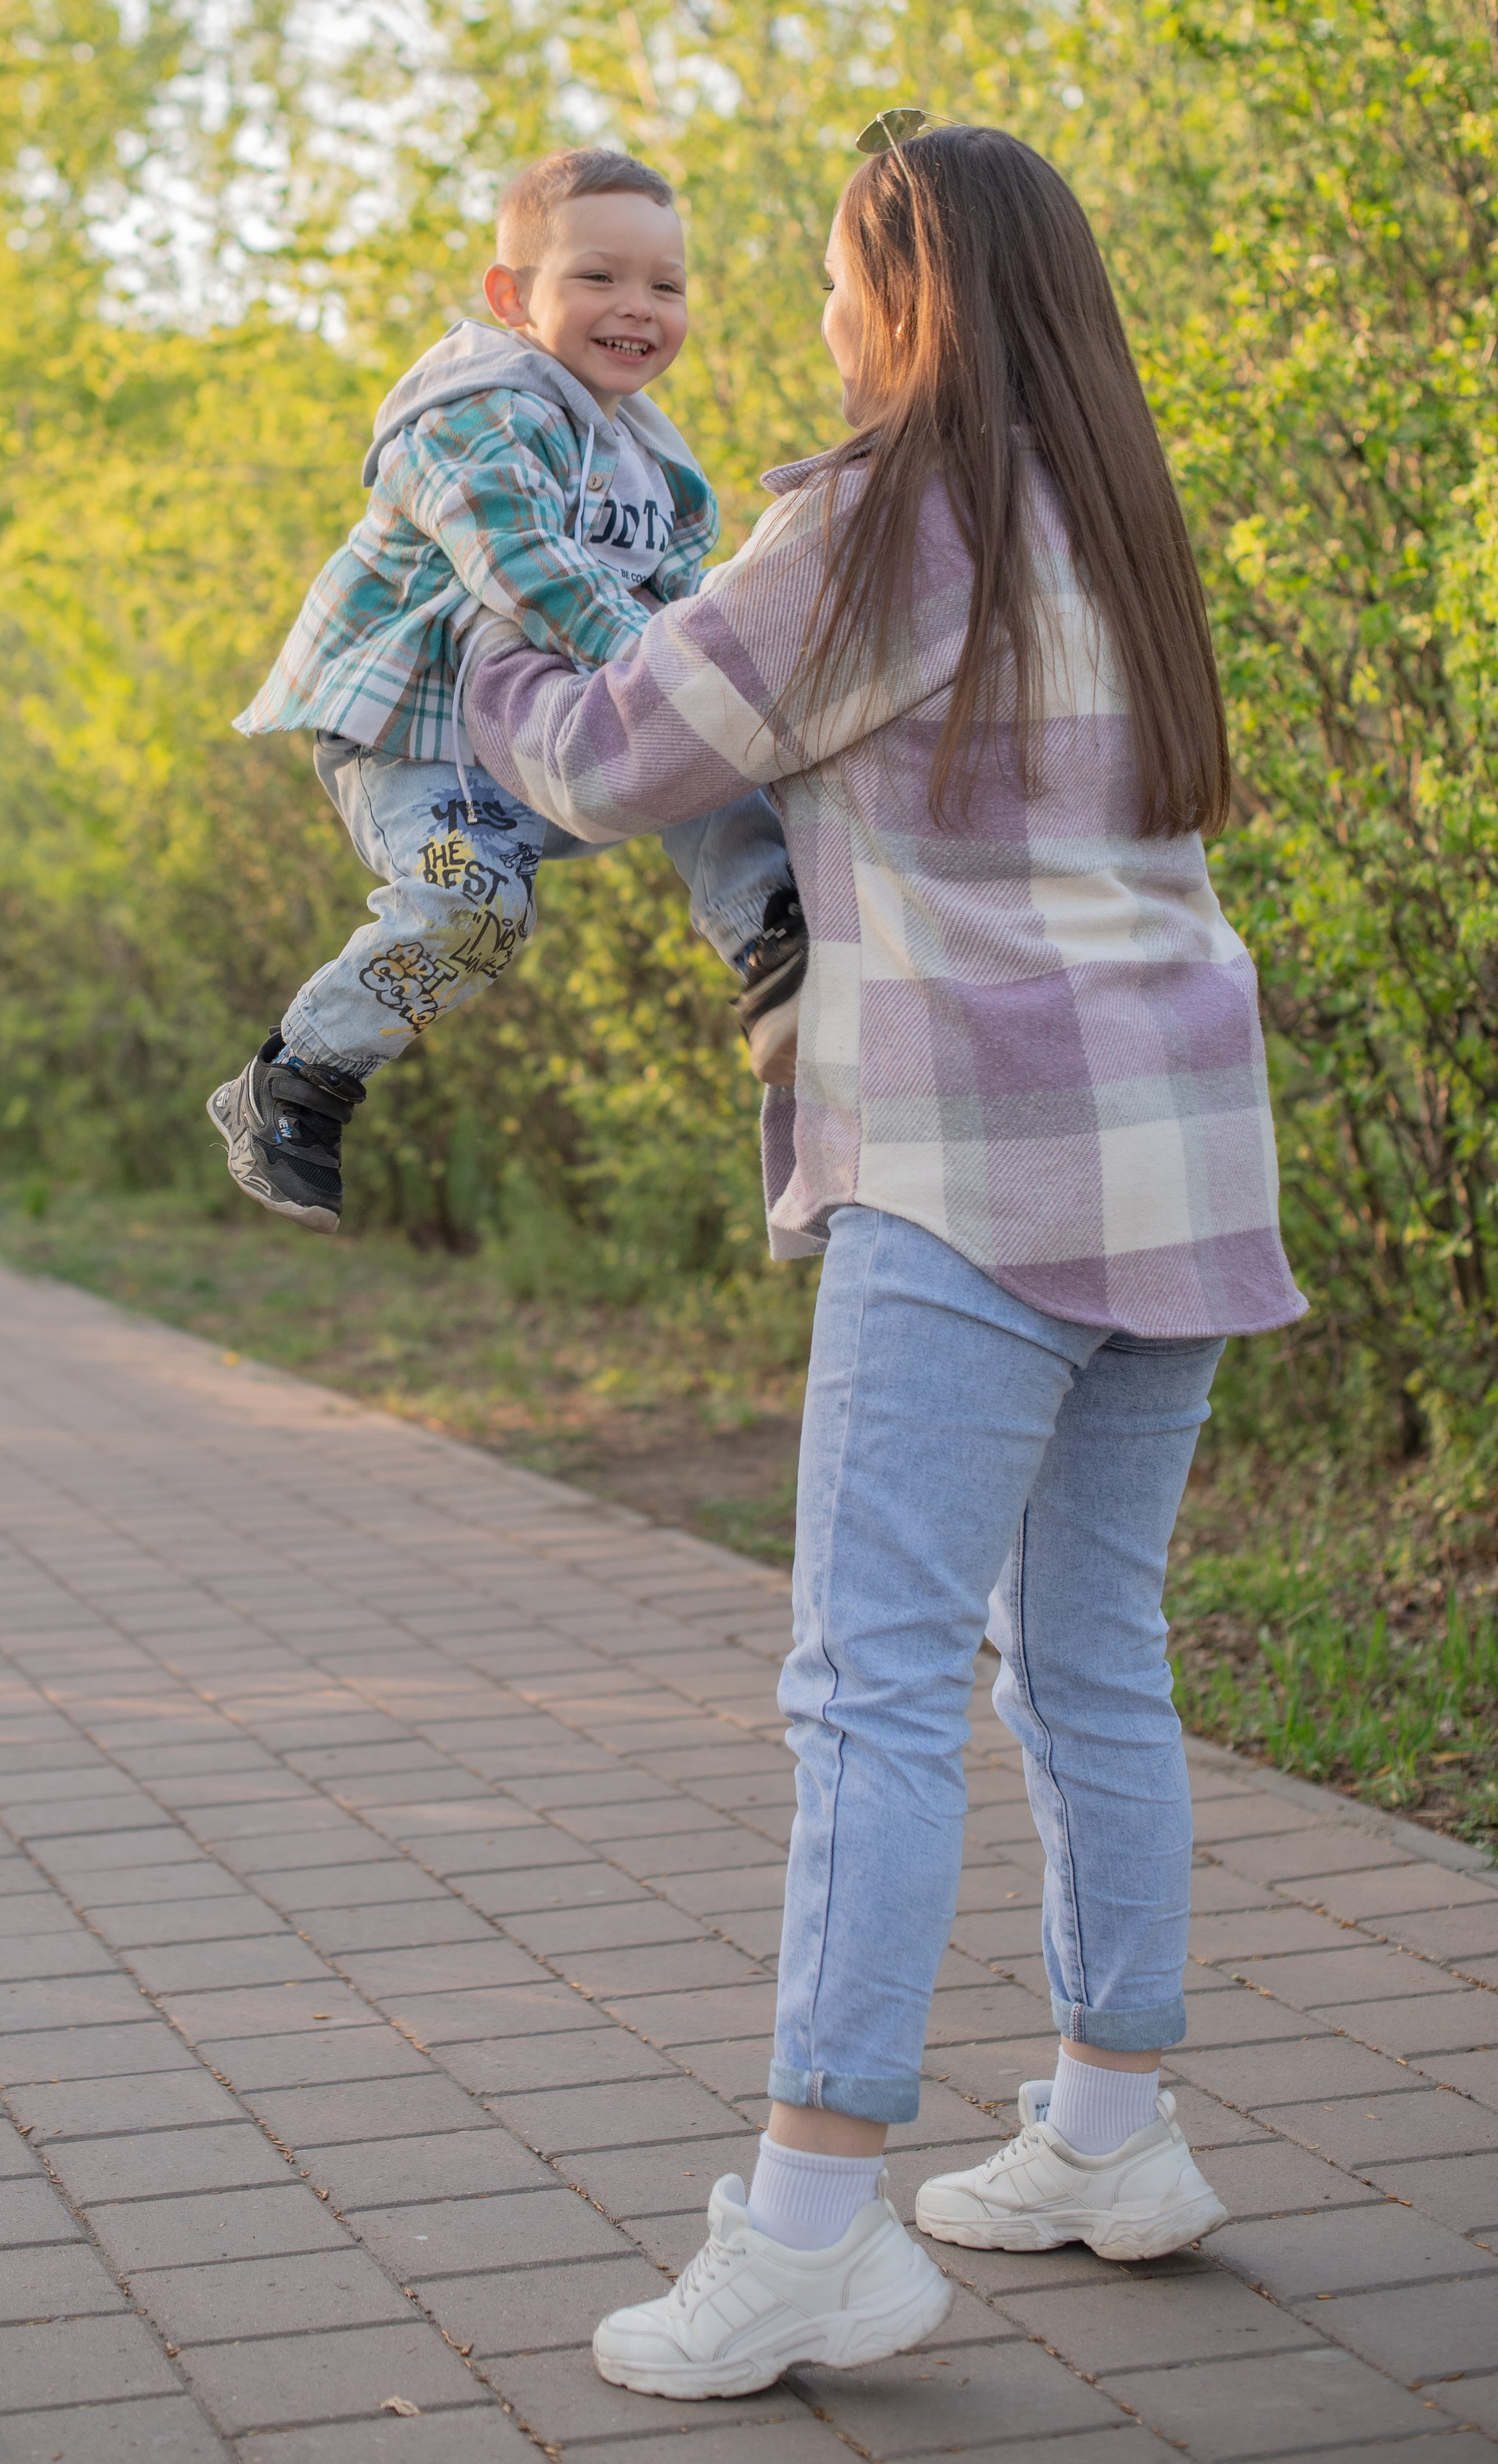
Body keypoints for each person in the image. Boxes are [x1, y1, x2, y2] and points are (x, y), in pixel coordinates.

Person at [460, 119, 1305, 2398]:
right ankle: (1114, 2133)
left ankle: (815, 2220)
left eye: (837, 277)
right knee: (1092, 1658)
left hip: (971, 1167)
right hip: (1177, 1155)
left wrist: (474, 655)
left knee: (872, 1690)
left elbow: (625, 750)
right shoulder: (1117, 518)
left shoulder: (876, 517)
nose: (817, 321)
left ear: (909, 295)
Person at [210, 145, 807, 1233]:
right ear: (511, 295)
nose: (638, 308)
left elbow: (679, 620)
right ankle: (300, 1074)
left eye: (665, 286)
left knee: (710, 747)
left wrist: (732, 699)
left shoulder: (661, 471)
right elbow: (525, 566)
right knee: (478, 908)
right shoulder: (472, 412)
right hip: (417, 742)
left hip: (541, 733)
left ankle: (777, 942)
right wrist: (671, 684)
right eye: (598, 277)